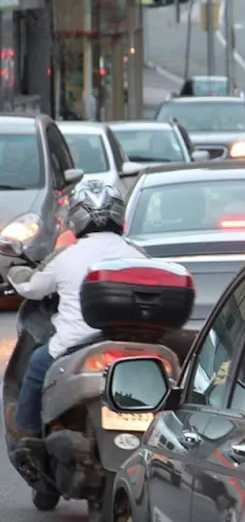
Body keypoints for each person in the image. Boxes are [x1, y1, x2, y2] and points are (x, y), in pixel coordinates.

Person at [4, 180, 147, 439]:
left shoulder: (68, 255)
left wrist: (13, 271)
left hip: (75, 346)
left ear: (77, 216)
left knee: (37, 365)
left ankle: (26, 426)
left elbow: (32, 287)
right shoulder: (138, 254)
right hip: (133, 345)